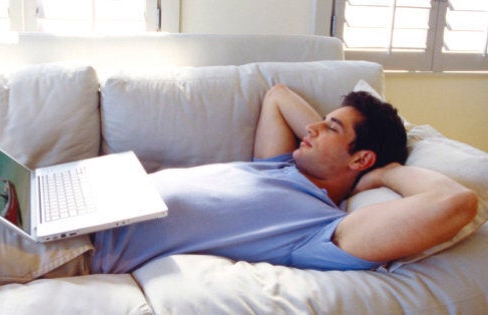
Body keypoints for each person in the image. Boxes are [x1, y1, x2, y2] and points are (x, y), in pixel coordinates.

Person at [87, 84, 478, 274]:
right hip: (92, 202)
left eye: (330, 127)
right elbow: (277, 95)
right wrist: (330, 136)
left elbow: (456, 203)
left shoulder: (322, 228)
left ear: (361, 157)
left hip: (89, 246)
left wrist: (386, 175)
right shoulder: (281, 166)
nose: (310, 127)